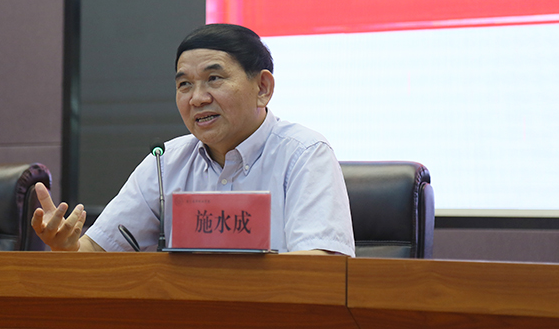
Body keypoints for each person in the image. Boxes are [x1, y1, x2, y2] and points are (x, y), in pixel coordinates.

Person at [32, 24, 355, 255]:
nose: (197, 98)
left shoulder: (304, 155)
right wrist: (67, 247)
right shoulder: (165, 162)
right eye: (184, 84)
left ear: (262, 88)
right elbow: (97, 250)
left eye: (214, 78)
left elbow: (319, 266)